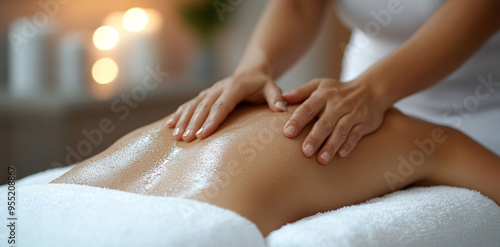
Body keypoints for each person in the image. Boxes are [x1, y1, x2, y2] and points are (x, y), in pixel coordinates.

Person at [52, 104, 500, 236]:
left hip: (35, 216)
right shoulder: (421, 140)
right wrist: (253, 67)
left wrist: (375, 89)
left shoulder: (417, 137)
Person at [166, 0, 500, 165]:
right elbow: (299, 5)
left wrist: (374, 90)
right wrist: (255, 66)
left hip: (485, 101)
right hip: (361, 99)